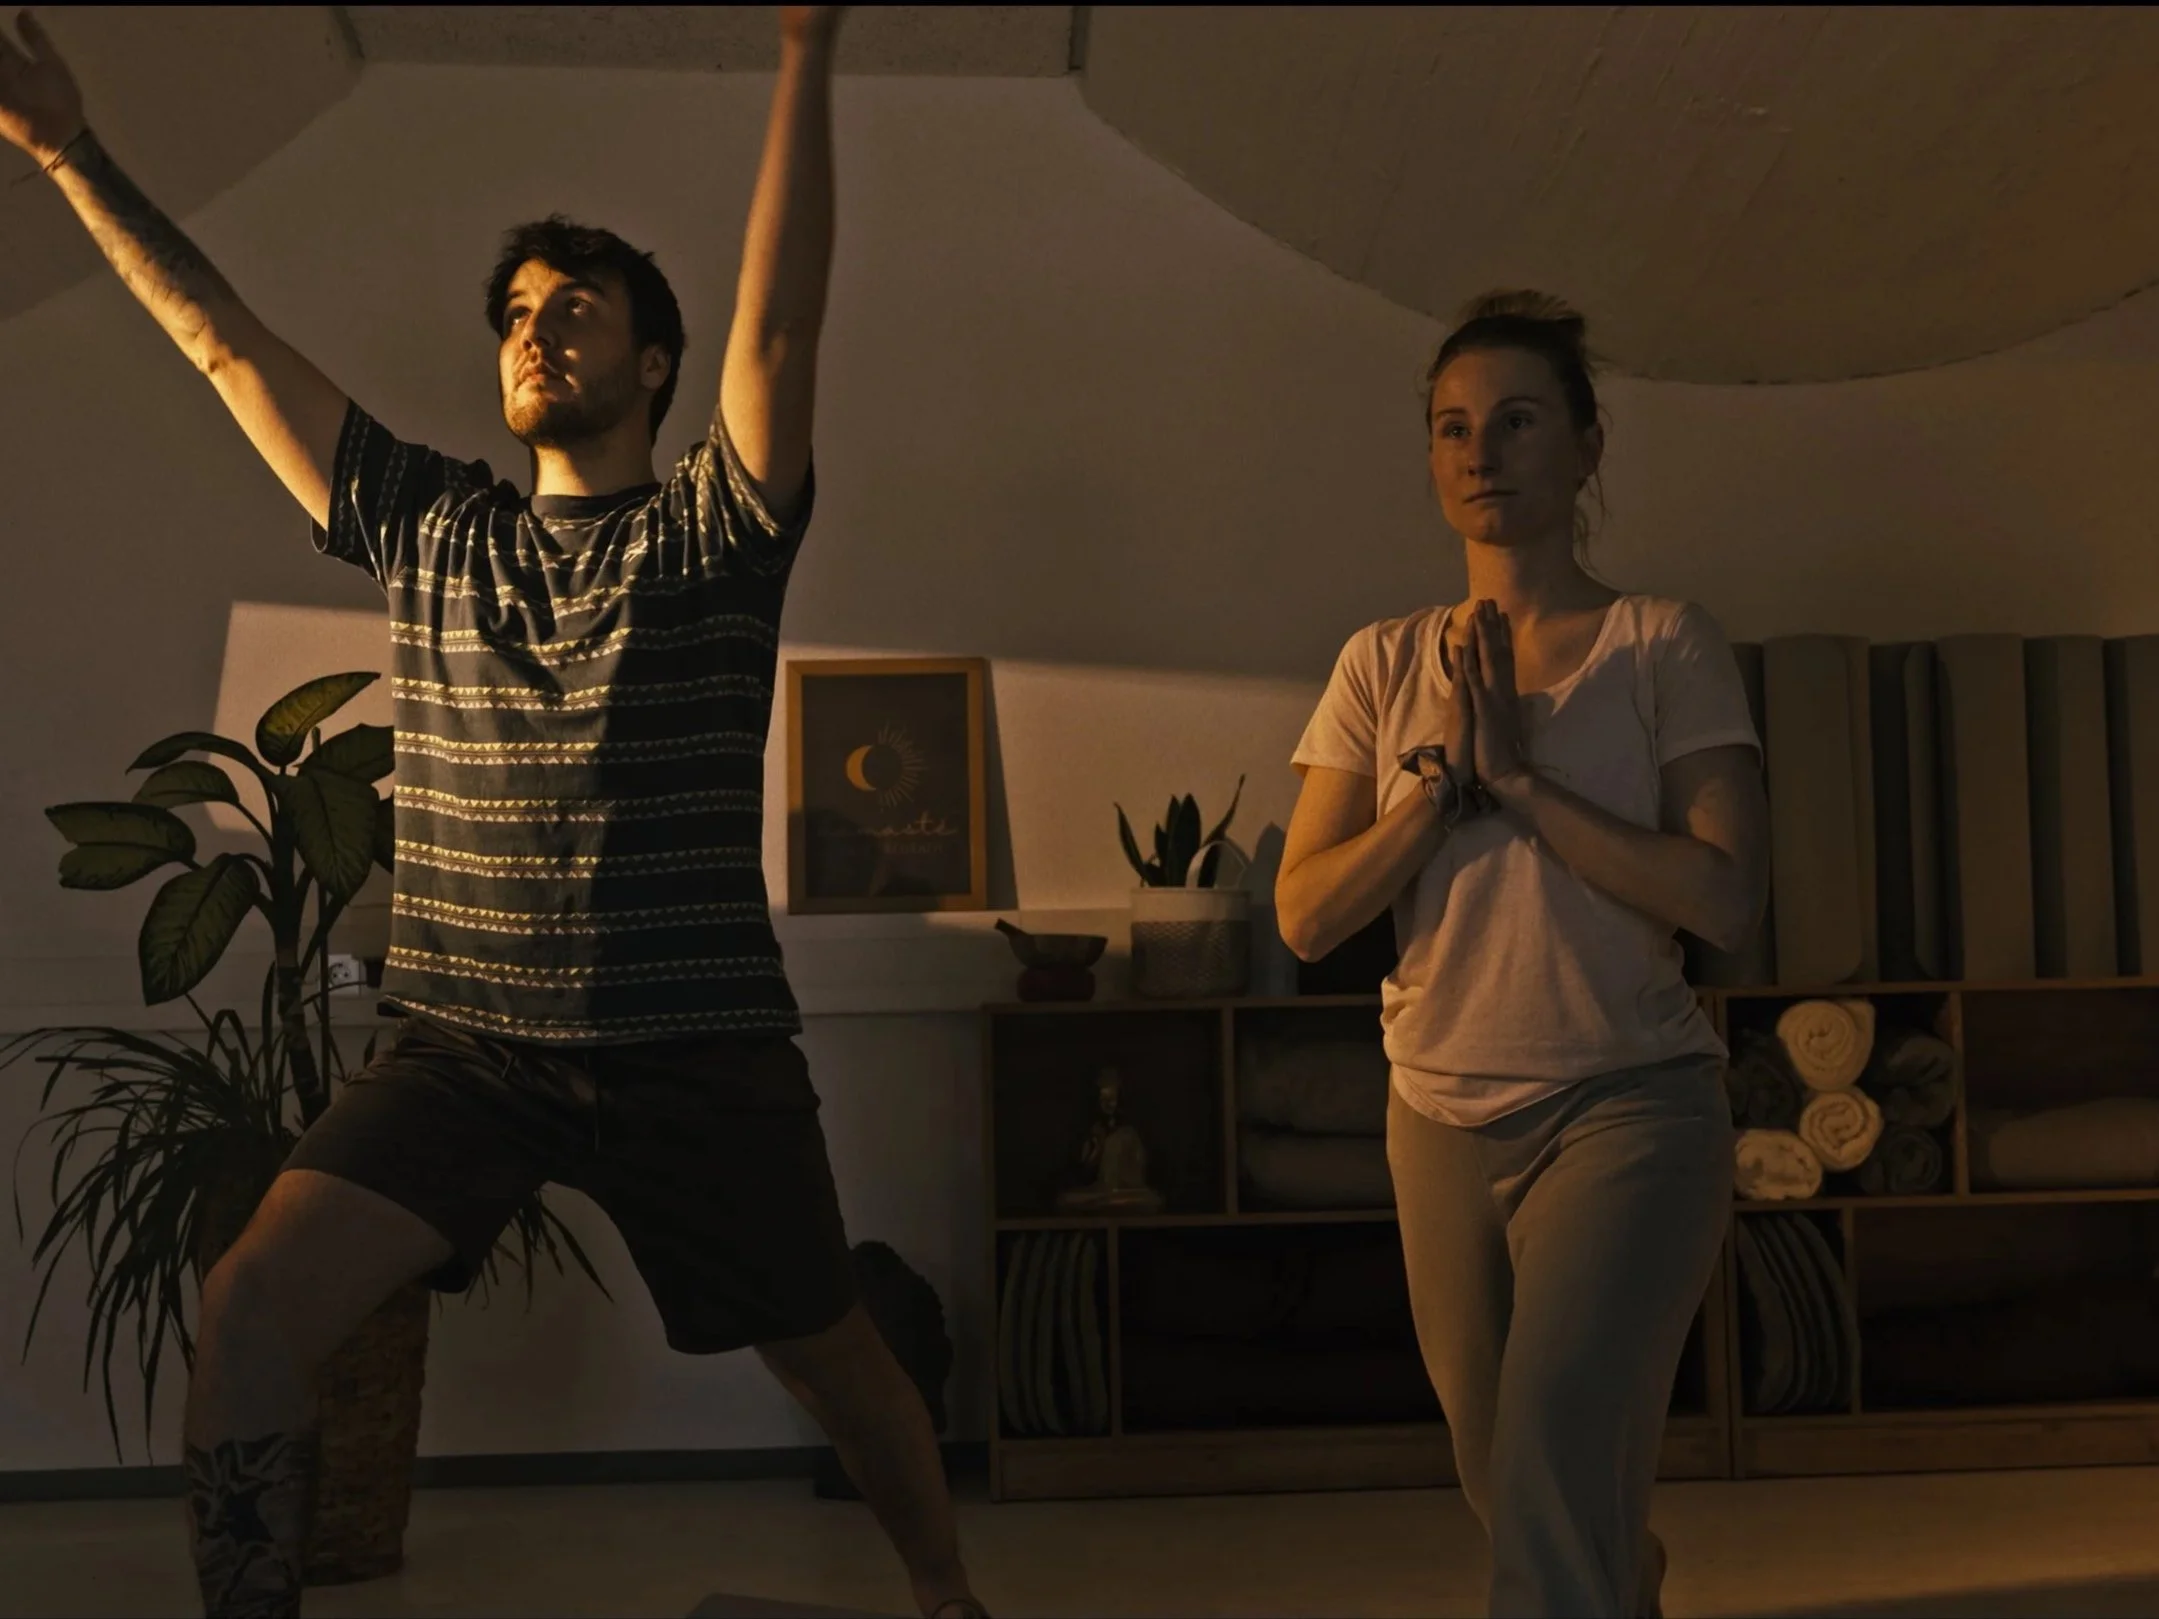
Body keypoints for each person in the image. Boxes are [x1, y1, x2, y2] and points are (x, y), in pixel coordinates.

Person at [0, 8, 988, 1617]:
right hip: (465, 1044)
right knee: (251, 1300)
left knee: (835, 1357)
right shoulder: (430, 530)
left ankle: (951, 1601)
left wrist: (806, 49)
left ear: (655, 362)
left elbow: (784, 330)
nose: (538, 330)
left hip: (696, 1046)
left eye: (578, 308)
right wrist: (64, 150)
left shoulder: (714, 532)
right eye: (518, 313)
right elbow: (227, 344)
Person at [1275, 292, 1769, 1618]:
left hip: (1627, 1106)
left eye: (1515, 420)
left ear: (1586, 446)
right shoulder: (1378, 664)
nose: (1478, 451)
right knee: (1506, 1477)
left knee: (1550, 1462)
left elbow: (1720, 897)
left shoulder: (1662, 642)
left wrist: (1524, 783)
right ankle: (1625, 1583)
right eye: (1450, 428)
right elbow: (1306, 914)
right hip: (1435, 1112)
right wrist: (1435, 794)